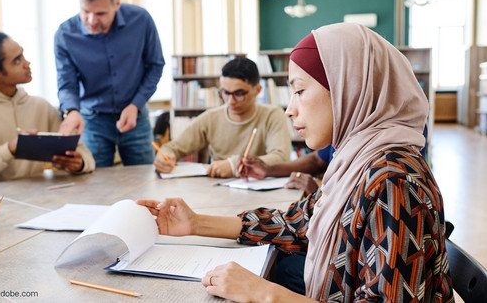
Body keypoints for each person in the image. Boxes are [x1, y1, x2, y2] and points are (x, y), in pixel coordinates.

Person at [137, 23, 453, 302]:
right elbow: (301, 220)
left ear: (348, 89)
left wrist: (263, 292)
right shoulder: (358, 158)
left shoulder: (392, 181)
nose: (290, 109)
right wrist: (195, 223)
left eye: (300, 91)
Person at [0, 31, 95, 192]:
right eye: (17, 60)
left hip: (32, 204)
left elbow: (87, 157)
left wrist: (79, 163)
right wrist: (8, 150)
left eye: (22, 55)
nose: (27, 63)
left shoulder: (41, 106)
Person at [55, 0, 165, 167]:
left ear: (117, 4)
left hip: (135, 115)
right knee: (94, 181)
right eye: (85, 11)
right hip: (92, 120)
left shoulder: (141, 20)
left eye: (100, 14)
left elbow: (155, 66)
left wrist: (136, 104)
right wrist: (71, 110)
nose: (91, 20)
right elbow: (67, 83)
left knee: (143, 178)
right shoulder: (64, 34)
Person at [154, 57, 291, 178]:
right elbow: (173, 148)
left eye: (239, 93)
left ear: (257, 90)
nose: (230, 101)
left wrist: (233, 165)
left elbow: (281, 158)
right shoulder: (211, 117)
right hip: (218, 190)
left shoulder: (272, 115)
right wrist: (163, 156)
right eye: (225, 92)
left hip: (259, 188)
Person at [240, 145, 333, 195]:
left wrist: (318, 195)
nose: (288, 113)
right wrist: (268, 170)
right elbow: (317, 160)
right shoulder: (337, 138)